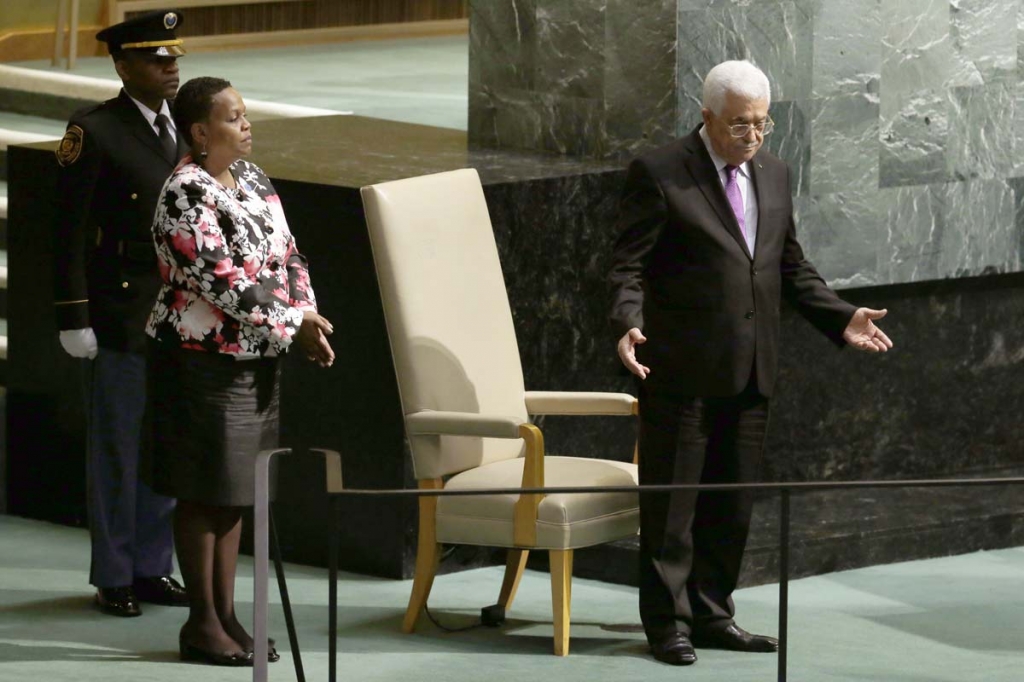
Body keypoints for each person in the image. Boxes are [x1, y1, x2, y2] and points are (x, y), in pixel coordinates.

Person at [607, 60, 893, 666]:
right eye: (740, 125)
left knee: (730, 504)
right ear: (707, 117)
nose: (754, 136)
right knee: (672, 509)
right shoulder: (660, 174)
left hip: (753, 367)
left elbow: (788, 266)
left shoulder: (775, 173)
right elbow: (625, 264)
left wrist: (841, 317)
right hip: (681, 369)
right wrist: (626, 321)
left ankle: (713, 614)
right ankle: (669, 627)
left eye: (763, 123)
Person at [146, 76, 335, 667]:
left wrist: (305, 311)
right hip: (200, 362)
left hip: (254, 358)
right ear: (201, 132)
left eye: (246, 113)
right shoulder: (185, 192)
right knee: (203, 493)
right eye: (234, 117)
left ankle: (226, 615)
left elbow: (290, 253)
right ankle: (201, 623)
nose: (247, 124)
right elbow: (221, 282)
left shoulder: (252, 179)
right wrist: (290, 326)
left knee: (233, 494)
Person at [52, 9, 190, 618]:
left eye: (174, 57)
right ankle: (114, 572)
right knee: (117, 449)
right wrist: (72, 314)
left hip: (178, 313)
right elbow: (68, 232)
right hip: (119, 309)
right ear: (122, 64)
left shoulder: (185, 129)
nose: (170, 67)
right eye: (157, 59)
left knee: (163, 447)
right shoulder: (95, 131)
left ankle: (152, 567)